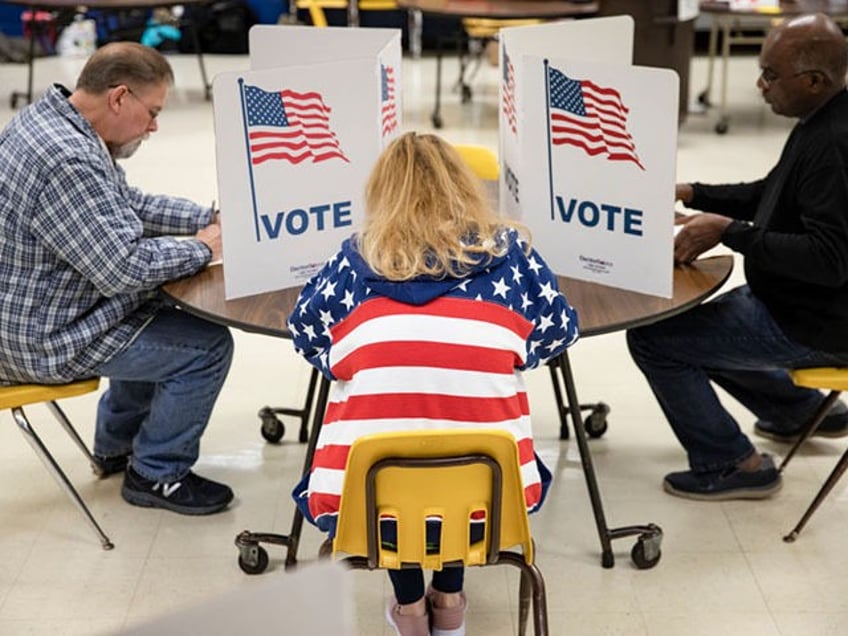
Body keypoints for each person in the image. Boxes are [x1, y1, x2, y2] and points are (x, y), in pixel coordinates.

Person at [288, 132, 579, 636]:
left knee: (396, 443)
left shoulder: (352, 264)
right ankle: (450, 600)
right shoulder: (514, 259)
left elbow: (309, 336)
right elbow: (558, 332)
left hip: (368, 498)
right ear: (464, 187)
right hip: (494, 496)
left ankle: (410, 611)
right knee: (458, 437)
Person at [0, 42, 235, 515]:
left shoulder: (51, 122)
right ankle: (156, 473)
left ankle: (116, 446)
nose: (153, 126)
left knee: (156, 312)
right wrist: (204, 249)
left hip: (29, 314)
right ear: (119, 97)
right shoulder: (67, 160)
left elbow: (127, 207)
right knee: (206, 347)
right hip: (41, 339)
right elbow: (121, 269)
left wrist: (207, 218)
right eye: (150, 112)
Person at [627, 13, 848, 501]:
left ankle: (732, 463)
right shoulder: (825, 118)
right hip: (799, 302)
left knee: (654, 339)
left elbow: (830, 258)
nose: (760, 84)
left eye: (771, 74)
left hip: (816, 323)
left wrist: (731, 233)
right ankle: (798, 411)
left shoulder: (833, 145)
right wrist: (694, 192)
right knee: (695, 324)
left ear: (814, 81)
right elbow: (774, 193)